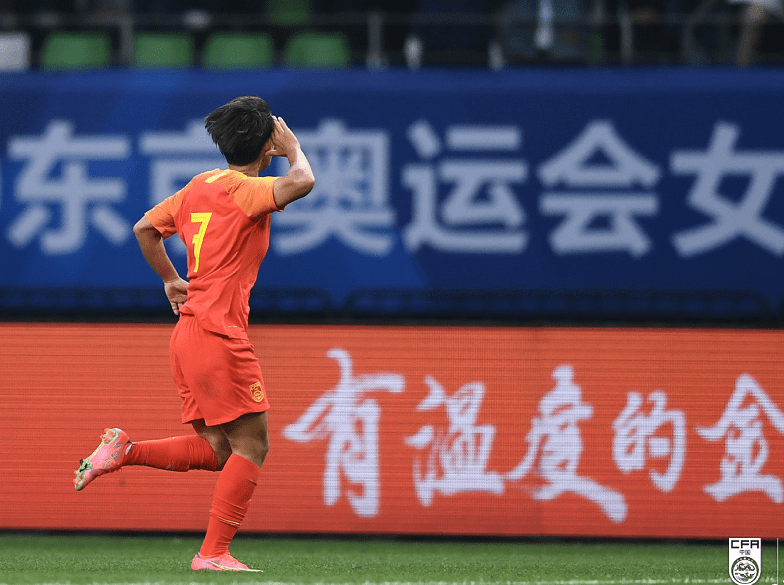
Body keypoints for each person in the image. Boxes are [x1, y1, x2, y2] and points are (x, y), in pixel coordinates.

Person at [73, 96, 315, 573]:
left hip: (187, 334)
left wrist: (170, 279)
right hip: (220, 334)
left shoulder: (199, 185)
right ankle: (213, 553)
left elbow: (144, 228)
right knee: (253, 446)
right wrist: (294, 149)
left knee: (220, 450)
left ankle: (125, 450)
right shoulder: (246, 189)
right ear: (266, 143)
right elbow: (303, 181)